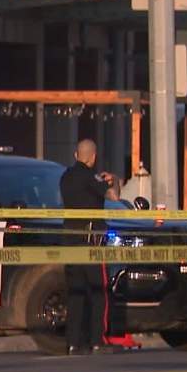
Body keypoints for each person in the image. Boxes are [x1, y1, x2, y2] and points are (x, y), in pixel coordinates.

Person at [59, 139, 121, 355]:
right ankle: (98, 340)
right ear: (93, 157)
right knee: (98, 292)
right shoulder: (91, 177)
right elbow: (113, 196)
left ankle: (74, 343)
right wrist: (113, 180)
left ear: (76, 155)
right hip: (91, 242)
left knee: (75, 294)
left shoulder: (65, 177)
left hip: (70, 241)